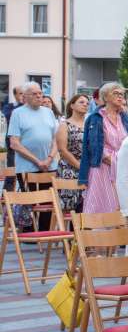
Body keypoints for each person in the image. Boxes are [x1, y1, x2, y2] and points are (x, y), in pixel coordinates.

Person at [7, 82, 59, 229]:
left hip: (49, 165)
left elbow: (56, 139)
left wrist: (49, 158)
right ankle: (29, 233)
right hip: (27, 166)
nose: (38, 96)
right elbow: (14, 143)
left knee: (48, 201)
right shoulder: (17, 113)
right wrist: (37, 161)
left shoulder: (48, 112)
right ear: (25, 97)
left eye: (40, 93)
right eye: (34, 94)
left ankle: (45, 232)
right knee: (29, 201)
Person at [78, 82, 128, 214]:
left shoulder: (124, 118)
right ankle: (98, 234)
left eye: (121, 94)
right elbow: (92, 144)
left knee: (121, 206)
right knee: (101, 205)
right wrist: (108, 158)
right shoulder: (96, 118)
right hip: (102, 166)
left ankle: (119, 234)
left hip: (122, 164)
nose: (120, 97)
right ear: (106, 97)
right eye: (116, 93)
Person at [56, 94, 89, 212]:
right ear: (72, 105)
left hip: (88, 169)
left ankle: (82, 231)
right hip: (69, 169)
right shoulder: (64, 125)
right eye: (81, 102)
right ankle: (69, 231)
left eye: (87, 103)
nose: (85, 104)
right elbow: (62, 150)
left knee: (86, 206)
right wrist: (79, 166)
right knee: (69, 208)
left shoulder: (90, 124)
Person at [3, 86, 24, 191]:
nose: (23, 96)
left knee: (26, 171)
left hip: (26, 142)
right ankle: (7, 195)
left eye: (24, 93)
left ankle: (25, 193)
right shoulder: (10, 107)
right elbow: (8, 115)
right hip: (13, 143)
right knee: (12, 169)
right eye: (20, 93)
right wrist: (21, 105)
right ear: (15, 95)